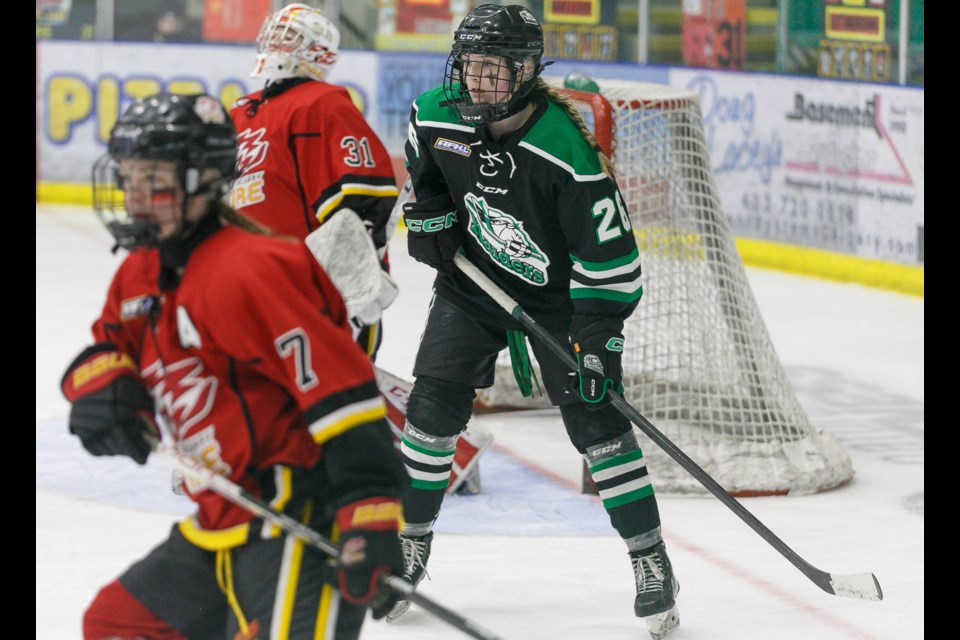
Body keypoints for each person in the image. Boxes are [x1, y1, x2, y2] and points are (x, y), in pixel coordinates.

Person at [64, 91, 406, 640]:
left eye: (154, 178)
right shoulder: (141, 272)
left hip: (299, 515)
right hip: (222, 518)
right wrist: (105, 387)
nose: (135, 196)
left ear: (202, 180)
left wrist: (369, 511)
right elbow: (106, 348)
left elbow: (342, 393)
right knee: (118, 624)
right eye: (129, 176)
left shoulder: (255, 269)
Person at [387, 5, 680, 639]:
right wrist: (431, 211)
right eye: (469, 68)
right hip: (474, 285)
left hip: (563, 303)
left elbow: (614, 264)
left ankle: (650, 558)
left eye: (493, 71)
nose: (476, 83)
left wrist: (598, 339)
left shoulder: (568, 154)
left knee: (600, 427)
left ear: (525, 73)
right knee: (431, 412)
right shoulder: (435, 111)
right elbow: (424, 166)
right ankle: (407, 545)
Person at [229, 2, 492, 496]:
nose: (275, 45)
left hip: (310, 283)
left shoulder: (322, 103)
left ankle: (447, 457)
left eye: (289, 37)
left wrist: (343, 282)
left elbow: (364, 192)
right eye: (275, 33)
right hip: (258, 282)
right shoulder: (240, 112)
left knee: (330, 385)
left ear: (316, 51)